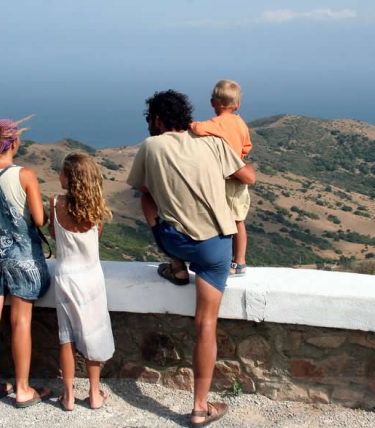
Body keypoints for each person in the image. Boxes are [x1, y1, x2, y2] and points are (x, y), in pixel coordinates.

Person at [127, 90, 256, 427]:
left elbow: (143, 190)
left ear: (156, 120)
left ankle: (176, 267)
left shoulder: (150, 146)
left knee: (149, 200)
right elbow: (249, 177)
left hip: (175, 242)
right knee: (205, 325)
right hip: (215, 248)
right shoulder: (212, 143)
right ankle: (200, 408)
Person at [0, 117, 51, 408]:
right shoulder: (25, 175)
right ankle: (23, 388)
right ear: (14, 142)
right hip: (21, 257)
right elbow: (39, 220)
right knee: (21, 321)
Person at [49, 152, 115, 411]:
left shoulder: (54, 203)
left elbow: (54, 234)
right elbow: (94, 240)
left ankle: (67, 397)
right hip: (91, 278)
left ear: (70, 178)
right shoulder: (97, 208)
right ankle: (95, 394)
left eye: (62, 172)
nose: (58, 176)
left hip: (65, 276)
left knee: (67, 338)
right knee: (93, 334)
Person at [190, 80, 253, 276]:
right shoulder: (240, 123)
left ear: (213, 103)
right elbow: (246, 147)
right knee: (238, 220)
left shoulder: (216, 124)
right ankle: (239, 260)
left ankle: (235, 262)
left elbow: (198, 129)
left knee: (223, 221)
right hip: (239, 177)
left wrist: (188, 123)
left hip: (224, 179)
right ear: (238, 105)